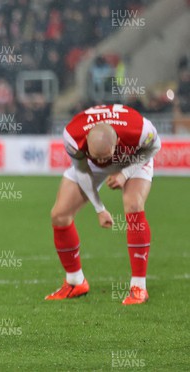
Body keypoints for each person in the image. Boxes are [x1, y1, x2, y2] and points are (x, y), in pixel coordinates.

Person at [47, 104, 161, 305]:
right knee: (59, 214)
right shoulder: (73, 137)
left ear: (117, 141)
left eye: (105, 158)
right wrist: (100, 209)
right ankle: (75, 282)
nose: (102, 162)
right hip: (90, 164)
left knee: (133, 204)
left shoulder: (140, 130)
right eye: (96, 156)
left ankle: (139, 287)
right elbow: (83, 172)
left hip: (132, 157)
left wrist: (125, 174)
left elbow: (155, 147)